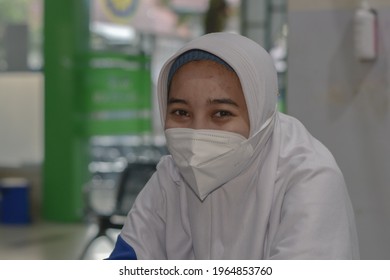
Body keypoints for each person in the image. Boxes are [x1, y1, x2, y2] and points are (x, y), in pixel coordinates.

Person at [106, 32, 359, 259]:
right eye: (181, 112)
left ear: (261, 111)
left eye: (221, 114)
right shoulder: (171, 177)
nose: (196, 135)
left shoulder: (309, 178)